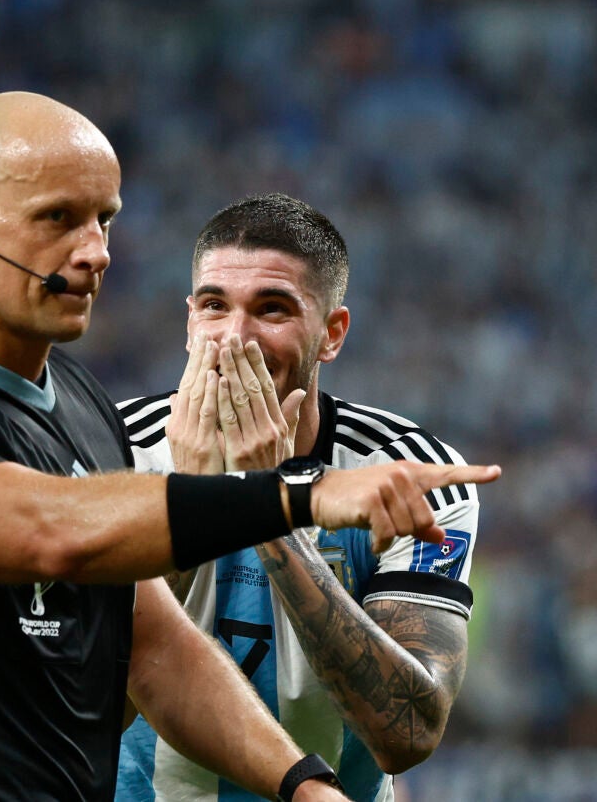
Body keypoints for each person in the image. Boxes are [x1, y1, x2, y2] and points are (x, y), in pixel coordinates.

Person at [0, 91, 500, 801]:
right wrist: (286, 498)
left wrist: (303, 788)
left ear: (333, 333)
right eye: (58, 218)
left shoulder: (84, 413)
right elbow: (48, 538)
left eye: (104, 220)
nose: (96, 253)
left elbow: (154, 648)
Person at [115, 194, 481, 802]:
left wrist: (267, 506)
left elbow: (407, 733)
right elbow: (73, 707)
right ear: (190, 322)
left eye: (272, 309)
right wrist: (195, 504)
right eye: (214, 306)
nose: (236, 338)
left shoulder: (407, 473)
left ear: (331, 334)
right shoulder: (109, 449)